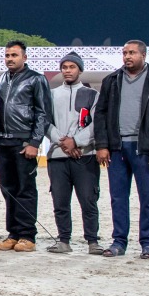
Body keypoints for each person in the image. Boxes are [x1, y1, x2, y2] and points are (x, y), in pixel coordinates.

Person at [93, 40, 149, 259]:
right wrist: (101, 145)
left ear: (143, 55)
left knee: (148, 198)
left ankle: (148, 243)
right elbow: (100, 115)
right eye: (125, 53)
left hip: (145, 149)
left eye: (132, 53)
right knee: (118, 198)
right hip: (116, 148)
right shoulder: (111, 81)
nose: (127, 57)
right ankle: (119, 241)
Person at [0, 40, 51, 253]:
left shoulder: (36, 79)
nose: (10, 59)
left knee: (25, 189)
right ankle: (13, 234)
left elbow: (43, 113)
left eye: (14, 55)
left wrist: (35, 142)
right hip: (2, 142)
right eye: (7, 55)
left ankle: (27, 235)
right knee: (8, 190)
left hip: (24, 142)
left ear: (24, 57)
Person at [44, 52, 101, 255]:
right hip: (58, 157)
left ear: (80, 69)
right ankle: (64, 240)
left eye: (72, 67)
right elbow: (45, 122)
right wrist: (64, 142)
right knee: (60, 201)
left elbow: (96, 125)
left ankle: (93, 241)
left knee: (88, 200)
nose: (67, 71)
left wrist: (76, 141)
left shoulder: (92, 95)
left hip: (85, 156)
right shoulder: (51, 94)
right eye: (65, 67)